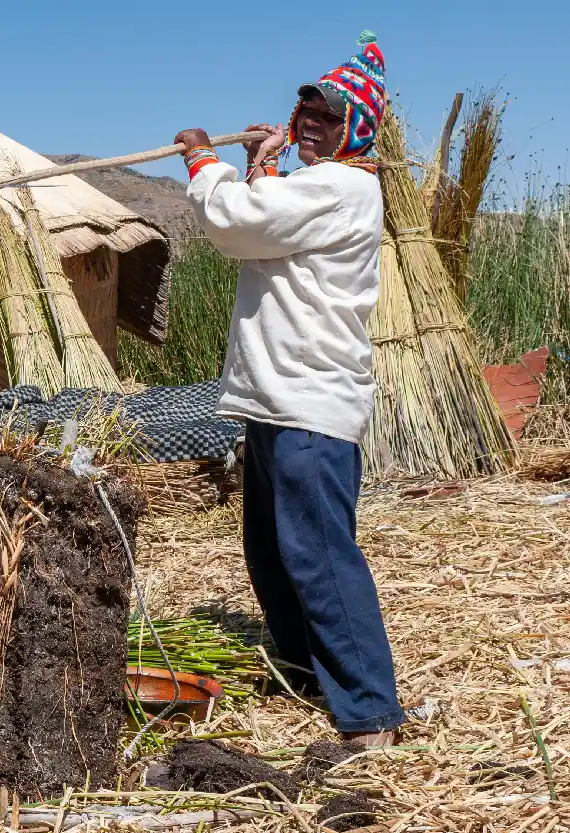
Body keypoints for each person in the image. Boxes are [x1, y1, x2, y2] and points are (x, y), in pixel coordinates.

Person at [173, 32, 404, 746]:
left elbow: (240, 225)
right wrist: (258, 164)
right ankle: (309, 670)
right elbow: (270, 220)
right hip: (278, 401)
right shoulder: (316, 187)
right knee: (273, 551)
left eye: (326, 117)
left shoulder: (343, 186)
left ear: (355, 130)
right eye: (303, 109)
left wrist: (202, 160)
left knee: (320, 556)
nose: (308, 121)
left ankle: (370, 711)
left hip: (309, 405)